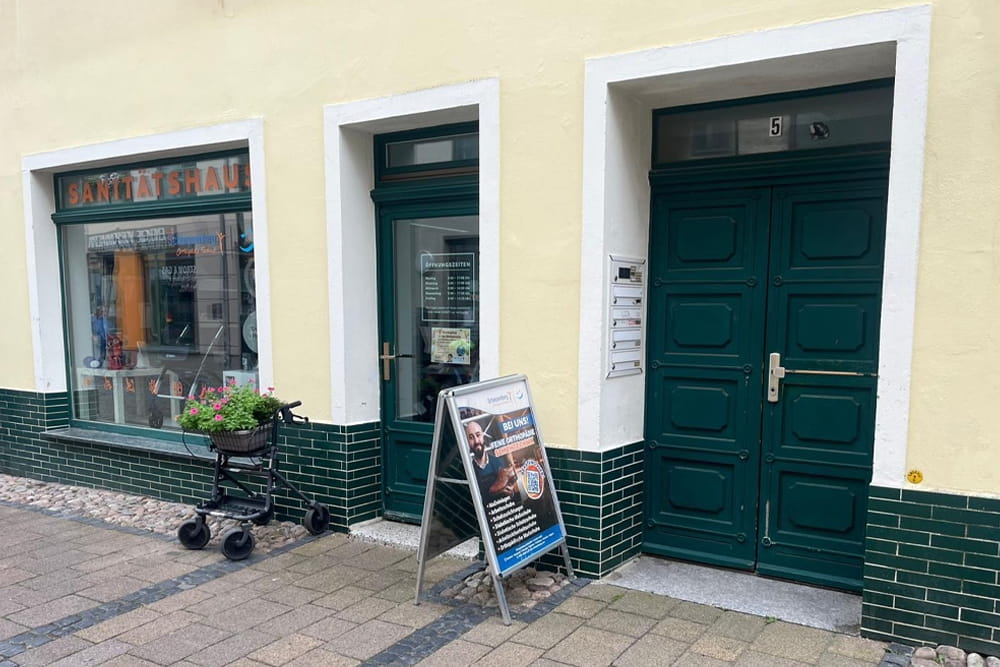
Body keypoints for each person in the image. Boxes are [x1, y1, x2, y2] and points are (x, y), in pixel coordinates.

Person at [465, 419, 518, 501]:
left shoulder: (498, 462)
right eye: (471, 437)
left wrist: (511, 492)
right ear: (467, 441)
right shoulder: (470, 470)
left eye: (478, 435)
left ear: (483, 436)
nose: (476, 441)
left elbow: (512, 493)